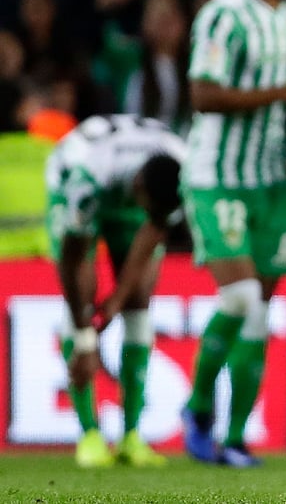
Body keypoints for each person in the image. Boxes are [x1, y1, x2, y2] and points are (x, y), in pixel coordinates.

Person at [179, 0, 286, 468]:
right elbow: (204, 94)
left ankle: (237, 438)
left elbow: (277, 98)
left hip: (269, 182)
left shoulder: (285, 18)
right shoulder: (224, 15)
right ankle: (199, 407)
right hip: (217, 175)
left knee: (259, 312)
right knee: (240, 298)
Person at [45, 114, 185, 468]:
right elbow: (72, 259)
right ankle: (89, 435)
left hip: (129, 181)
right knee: (83, 296)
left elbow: (154, 229)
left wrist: (117, 301)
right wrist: (85, 338)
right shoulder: (88, 177)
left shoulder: (182, 170)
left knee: (139, 302)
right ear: (139, 187)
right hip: (72, 178)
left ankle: (131, 436)